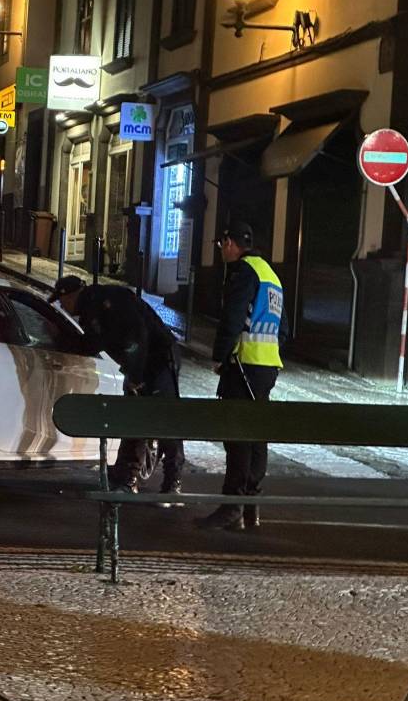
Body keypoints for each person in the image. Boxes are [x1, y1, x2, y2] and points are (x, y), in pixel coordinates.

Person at [50, 275, 185, 496]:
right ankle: (126, 476)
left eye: (62, 300)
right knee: (133, 419)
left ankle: (173, 483)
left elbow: (137, 337)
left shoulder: (108, 300)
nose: (62, 306)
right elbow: (92, 344)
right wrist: (60, 340)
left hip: (159, 360)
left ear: (71, 295)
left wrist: (136, 375)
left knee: (166, 418)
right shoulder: (90, 310)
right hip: (141, 364)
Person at [195, 222, 288, 531]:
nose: (221, 250)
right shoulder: (270, 274)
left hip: (243, 365)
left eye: (222, 244)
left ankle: (232, 506)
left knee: (237, 436)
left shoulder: (242, 271)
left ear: (231, 243)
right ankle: (251, 505)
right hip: (266, 366)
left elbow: (232, 317)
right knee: (256, 435)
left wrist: (220, 356)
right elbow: (284, 329)